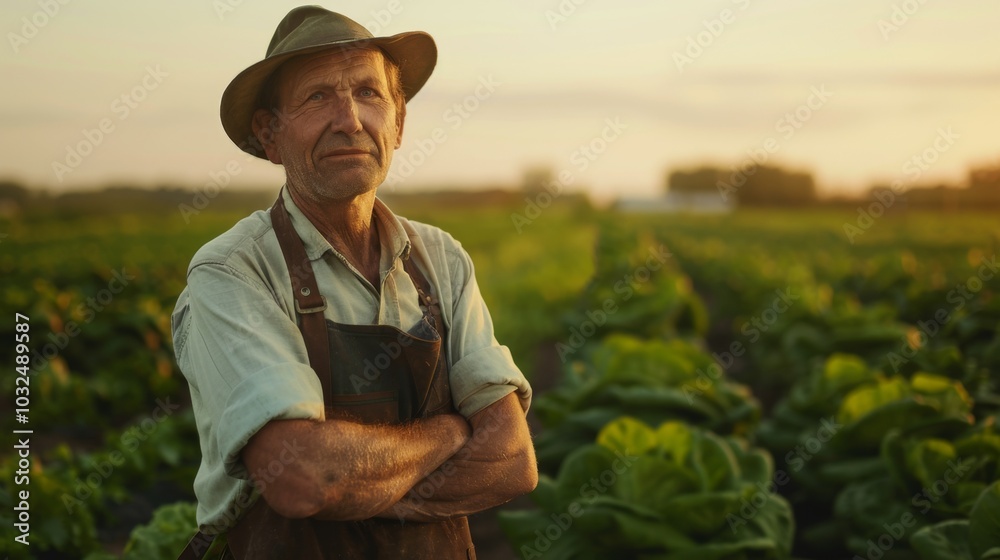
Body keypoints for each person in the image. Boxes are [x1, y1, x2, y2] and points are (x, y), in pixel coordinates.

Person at [170, 6, 537, 559]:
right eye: (318, 97)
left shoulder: (441, 259)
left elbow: (512, 461)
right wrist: (451, 433)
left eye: (368, 93)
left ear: (399, 123)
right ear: (270, 134)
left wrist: (357, 493)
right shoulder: (233, 272)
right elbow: (299, 476)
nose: (349, 120)